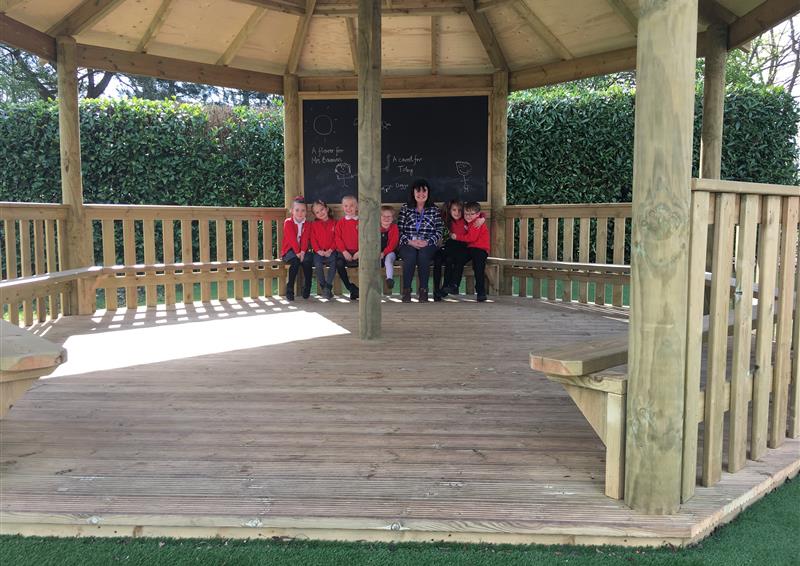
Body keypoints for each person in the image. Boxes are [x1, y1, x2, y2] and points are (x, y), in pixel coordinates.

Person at [397, 179, 443, 303]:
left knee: (423, 255)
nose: (421, 194)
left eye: (424, 191)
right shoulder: (405, 208)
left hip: (428, 243)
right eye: (418, 191)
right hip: (408, 243)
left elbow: (439, 231)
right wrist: (410, 242)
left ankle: (423, 290)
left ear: (428, 193)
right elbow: (398, 230)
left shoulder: (434, 209)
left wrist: (427, 242)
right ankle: (406, 291)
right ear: (413, 192)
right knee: (411, 255)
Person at [436, 199, 486, 299]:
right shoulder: (448, 220)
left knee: (457, 259)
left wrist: (482, 218)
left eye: (460, 210)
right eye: (454, 210)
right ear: (449, 210)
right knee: (449, 259)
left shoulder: (467, 219)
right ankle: (447, 287)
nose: (457, 213)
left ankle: (453, 286)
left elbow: (480, 213)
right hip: (453, 247)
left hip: (465, 246)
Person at [450, 201, 490, 302]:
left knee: (478, 267)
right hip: (471, 248)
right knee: (459, 259)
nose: (468, 216)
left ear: (477, 214)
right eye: (466, 213)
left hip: (480, 249)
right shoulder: (471, 221)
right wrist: (482, 217)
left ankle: (481, 292)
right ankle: (454, 285)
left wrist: (456, 237)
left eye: (471, 214)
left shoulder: (477, 223)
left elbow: (471, 238)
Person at [280, 196, 313, 301]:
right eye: (297, 210)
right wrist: (298, 252)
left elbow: (305, 239)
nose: (300, 213)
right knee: (295, 262)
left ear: (306, 212)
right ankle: (290, 289)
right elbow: (291, 239)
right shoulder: (288, 222)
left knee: (308, 261)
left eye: (303, 210)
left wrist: (303, 252)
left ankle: (307, 286)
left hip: (302, 250)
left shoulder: (307, 224)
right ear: (292, 211)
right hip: (289, 250)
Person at [310, 199, 337, 299]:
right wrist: (318, 250)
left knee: (334, 263)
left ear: (327, 209)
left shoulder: (334, 223)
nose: (320, 213)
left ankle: (328, 285)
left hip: (331, 251)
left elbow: (336, 238)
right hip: (319, 252)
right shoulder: (314, 225)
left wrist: (331, 250)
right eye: (317, 212)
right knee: (317, 264)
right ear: (315, 215)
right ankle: (323, 286)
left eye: (322, 209)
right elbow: (313, 239)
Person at [335, 195, 360, 301]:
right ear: (342, 207)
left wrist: (361, 251)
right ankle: (351, 288)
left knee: (369, 264)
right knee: (339, 264)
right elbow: (338, 238)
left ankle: (364, 290)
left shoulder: (361, 221)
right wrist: (344, 251)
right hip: (345, 252)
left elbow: (366, 237)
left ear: (357, 206)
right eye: (346, 206)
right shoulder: (341, 223)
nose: (348, 208)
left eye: (351, 205)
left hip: (359, 252)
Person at [379, 206, 399, 292]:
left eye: (389, 216)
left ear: (392, 218)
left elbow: (393, 244)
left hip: (390, 251)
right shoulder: (375, 228)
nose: (386, 218)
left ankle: (389, 279)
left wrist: (384, 253)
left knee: (388, 260)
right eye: (383, 216)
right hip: (378, 252)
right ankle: (373, 283)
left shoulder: (394, 228)